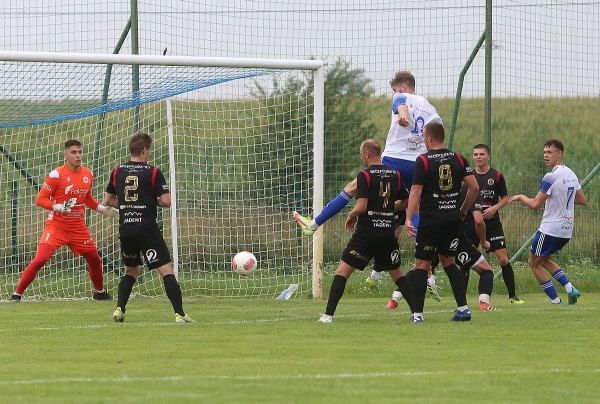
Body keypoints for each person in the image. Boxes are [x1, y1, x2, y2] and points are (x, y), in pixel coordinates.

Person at [293, 70, 443, 292]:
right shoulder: (431, 109)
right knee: (414, 208)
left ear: (402, 87)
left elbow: (400, 105)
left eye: (394, 90)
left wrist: (403, 115)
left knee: (352, 187)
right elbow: (434, 139)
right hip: (418, 162)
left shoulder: (402, 96)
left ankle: (313, 224)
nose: (394, 93)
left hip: (394, 159)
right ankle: (428, 272)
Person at [9, 140, 118, 301]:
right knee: (40, 259)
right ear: (65, 155)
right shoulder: (56, 175)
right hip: (57, 227)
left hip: (78, 228)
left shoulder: (88, 173)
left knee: (95, 259)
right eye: (74, 152)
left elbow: (87, 198)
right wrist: (57, 207)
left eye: (80, 152)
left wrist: (102, 209)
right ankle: (17, 294)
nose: (78, 155)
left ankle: (99, 292)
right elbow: (40, 199)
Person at [318, 139, 414, 323]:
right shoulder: (395, 174)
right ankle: (417, 314)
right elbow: (407, 201)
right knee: (398, 275)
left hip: (367, 233)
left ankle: (328, 315)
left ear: (367, 154)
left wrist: (351, 214)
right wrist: (389, 208)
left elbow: (361, 207)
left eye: (361, 154)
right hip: (388, 232)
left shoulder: (365, 175)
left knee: (342, 272)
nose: (361, 157)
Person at [104, 132, 195, 323]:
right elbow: (166, 201)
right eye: (149, 151)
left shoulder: (117, 171)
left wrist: (128, 205)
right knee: (166, 270)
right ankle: (179, 314)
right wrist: (148, 202)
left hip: (126, 228)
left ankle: (119, 309)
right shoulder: (153, 172)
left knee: (131, 271)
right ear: (145, 150)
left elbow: (108, 200)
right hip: (146, 228)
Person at [405, 122, 478, 323]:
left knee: (422, 265)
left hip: (431, 220)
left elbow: (416, 190)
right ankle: (463, 309)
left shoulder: (423, 160)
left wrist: (409, 217)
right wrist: (463, 210)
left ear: (428, 138)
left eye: (424, 138)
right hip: (453, 219)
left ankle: (417, 315)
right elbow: (474, 187)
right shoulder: (459, 158)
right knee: (449, 262)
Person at [387, 183, 500, 311]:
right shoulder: (470, 190)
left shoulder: (435, 187)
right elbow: (478, 220)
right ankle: (483, 303)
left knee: (421, 267)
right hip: (454, 236)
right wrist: (484, 241)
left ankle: (395, 299)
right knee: (485, 270)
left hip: (432, 232)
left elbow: (416, 201)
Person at [509, 139, 586, 305]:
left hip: (550, 229)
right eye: (544, 152)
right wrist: (561, 198)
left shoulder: (550, 176)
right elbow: (582, 200)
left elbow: (535, 205)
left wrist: (521, 197)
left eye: (549, 152)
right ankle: (570, 289)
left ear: (559, 154)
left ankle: (556, 302)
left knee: (533, 263)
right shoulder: (571, 174)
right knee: (544, 260)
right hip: (566, 230)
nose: (545, 155)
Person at [466, 144, 524, 304]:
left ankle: (513, 296)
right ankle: (462, 300)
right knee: (466, 261)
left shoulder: (497, 176)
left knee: (503, 259)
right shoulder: (469, 177)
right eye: (475, 154)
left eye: (481, 154)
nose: (478, 157)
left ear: (488, 157)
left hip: (492, 224)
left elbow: (505, 198)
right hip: (472, 223)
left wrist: (494, 208)